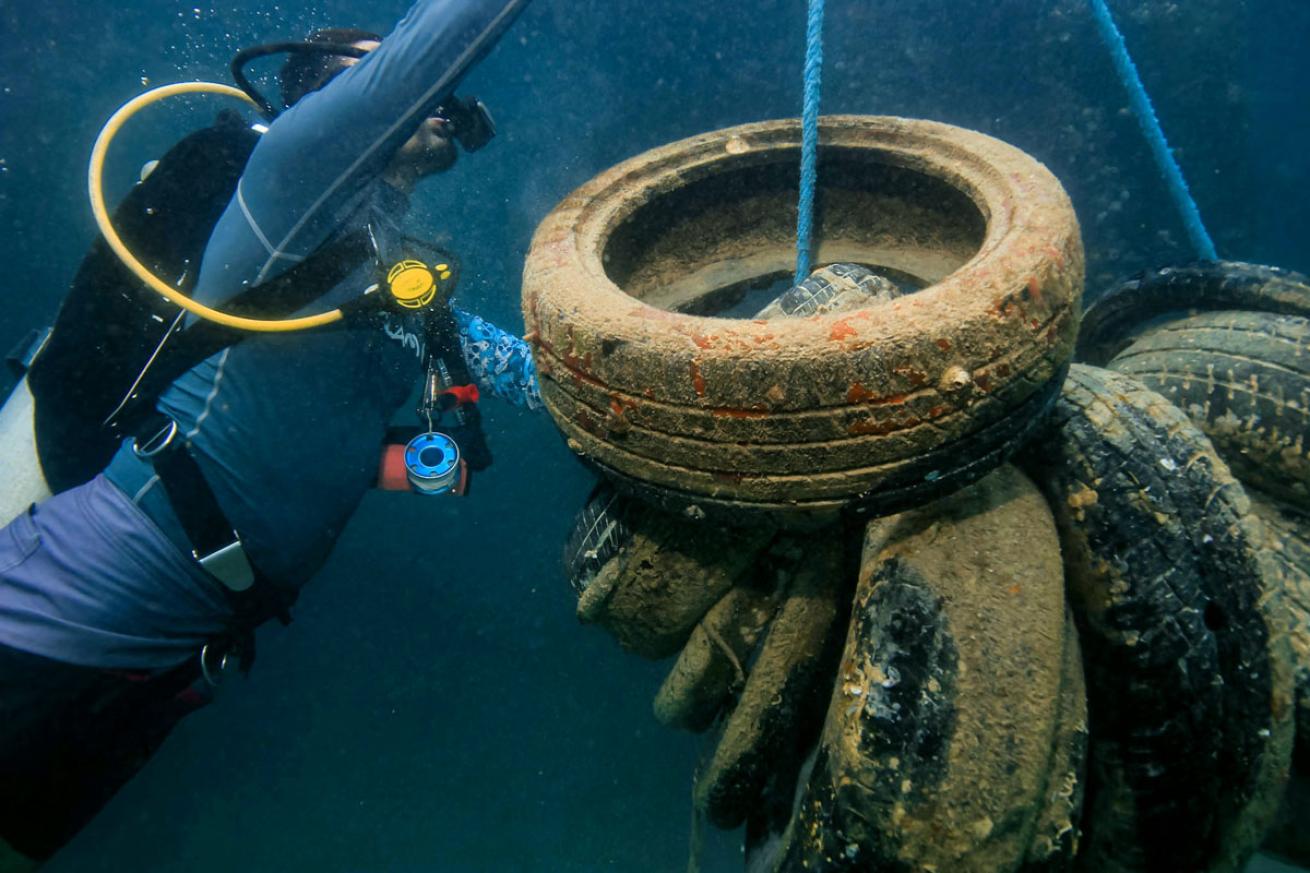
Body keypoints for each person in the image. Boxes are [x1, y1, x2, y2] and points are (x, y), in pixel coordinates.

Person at [0, 0, 539, 865]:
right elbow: (421, 57)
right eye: (373, 73)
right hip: (76, 603)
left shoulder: (398, 277)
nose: (441, 99)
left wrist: (425, 464)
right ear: (326, 98)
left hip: (177, 663)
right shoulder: (285, 182)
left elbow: (354, 438)